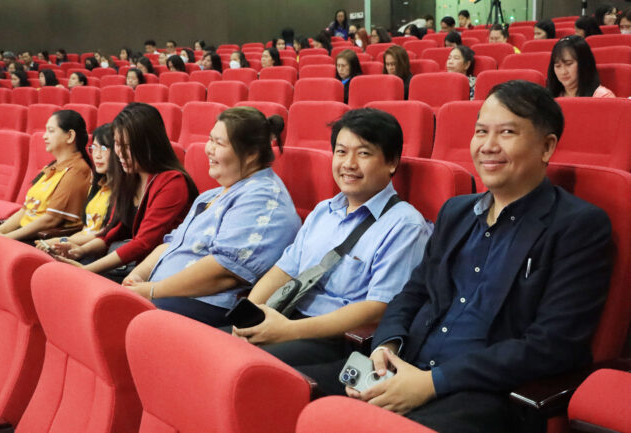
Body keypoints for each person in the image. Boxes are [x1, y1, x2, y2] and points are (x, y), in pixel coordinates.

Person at [319, 81, 613, 433]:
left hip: (484, 393)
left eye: (506, 132)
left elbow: (552, 346)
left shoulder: (578, 226)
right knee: (296, 392)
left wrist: (433, 383)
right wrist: (387, 345)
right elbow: (413, 293)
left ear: (546, 146)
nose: (488, 146)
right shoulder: (456, 212)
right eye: (481, 131)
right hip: (405, 367)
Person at [232, 108, 432, 378]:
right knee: (213, 348)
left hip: (337, 340)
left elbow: (379, 308)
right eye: (341, 152)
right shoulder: (323, 210)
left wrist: (289, 331)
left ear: (392, 162)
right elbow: (284, 270)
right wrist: (250, 314)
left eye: (363, 153)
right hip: (287, 317)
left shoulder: (406, 225)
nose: (349, 164)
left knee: (241, 368)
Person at [123, 107, 301, 325]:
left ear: (251, 153)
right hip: (164, 293)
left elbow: (224, 272)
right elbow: (172, 244)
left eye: (219, 143)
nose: (209, 149)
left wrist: (151, 290)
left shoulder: (263, 197)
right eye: (210, 140)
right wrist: (138, 276)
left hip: (204, 305)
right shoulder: (211, 195)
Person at [53, 103, 198, 279]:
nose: (119, 153)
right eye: (117, 144)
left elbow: (144, 243)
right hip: (131, 264)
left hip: (157, 272)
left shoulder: (172, 183)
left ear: (149, 145)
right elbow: (113, 231)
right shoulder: (129, 176)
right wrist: (80, 251)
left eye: (127, 146)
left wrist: (86, 270)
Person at [0, 111, 92, 240]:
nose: (44, 136)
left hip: (38, 240)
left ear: (70, 136)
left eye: (51, 131)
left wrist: (6, 238)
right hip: (21, 234)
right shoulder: (51, 167)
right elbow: (26, 210)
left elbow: (51, 220)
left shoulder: (76, 171)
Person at [36, 123, 116, 255]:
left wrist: (61, 241)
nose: (97, 155)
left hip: (97, 253)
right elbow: (86, 230)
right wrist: (62, 244)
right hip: (79, 247)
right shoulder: (97, 185)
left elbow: (104, 235)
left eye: (103, 148)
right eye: (94, 148)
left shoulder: (122, 191)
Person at [547, 35, 615, 98]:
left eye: (569, 64)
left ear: (583, 64)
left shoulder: (603, 97)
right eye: (558, 66)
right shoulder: (550, 97)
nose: (563, 72)